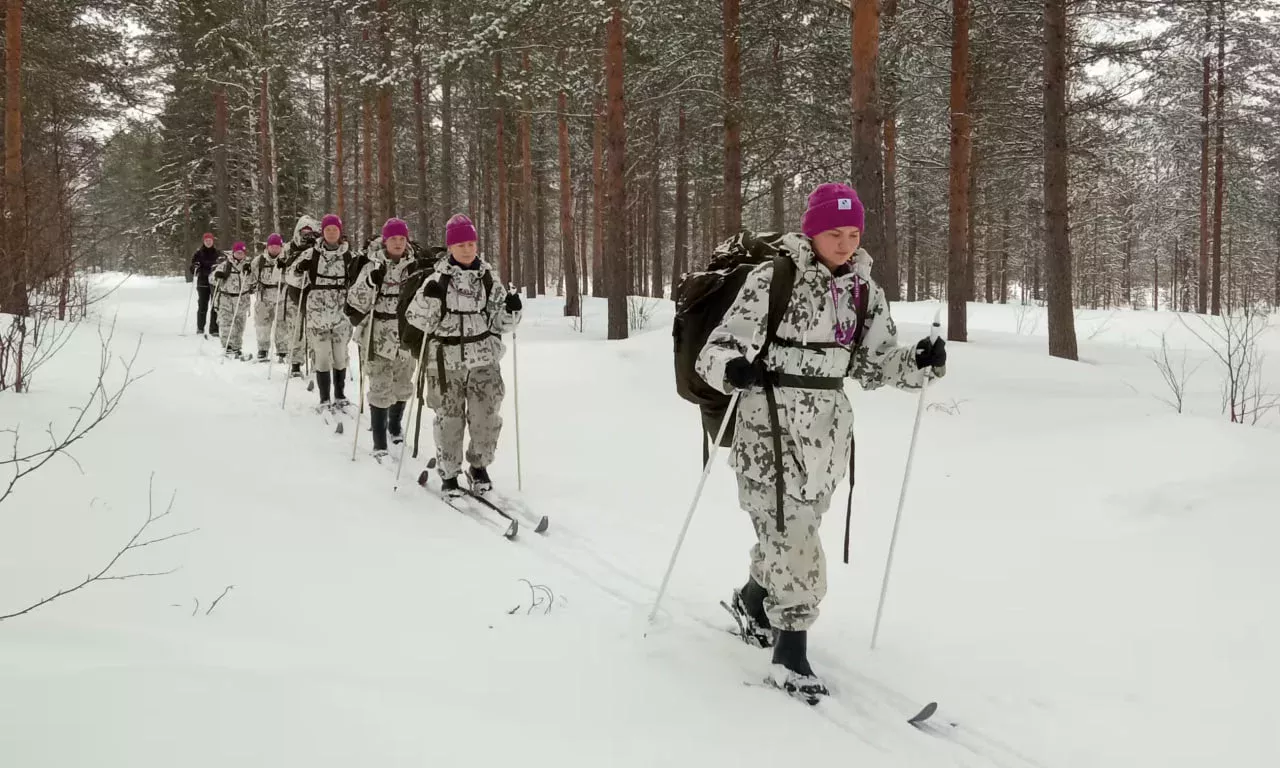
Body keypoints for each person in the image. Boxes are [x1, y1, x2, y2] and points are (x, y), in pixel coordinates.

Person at [696, 183, 947, 702]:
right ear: (812, 231)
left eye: (853, 233)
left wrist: (920, 363)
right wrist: (734, 367)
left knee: (794, 528)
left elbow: (876, 364)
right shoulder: (773, 279)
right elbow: (714, 351)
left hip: (828, 436)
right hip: (768, 427)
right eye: (835, 232)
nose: (845, 243)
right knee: (795, 537)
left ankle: (752, 597)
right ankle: (790, 650)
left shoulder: (863, 291)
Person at [404, 214, 522, 496]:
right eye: (461, 245)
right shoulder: (437, 279)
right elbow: (416, 319)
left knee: (487, 418)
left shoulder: (489, 280)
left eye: (471, 243)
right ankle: (448, 474)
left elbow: (502, 324)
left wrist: (511, 309)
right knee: (450, 420)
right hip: (446, 363)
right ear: (450, 248)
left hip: (484, 361)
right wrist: (427, 299)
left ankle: (479, 467)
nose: (467, 249)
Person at [346, 218, 420, 458]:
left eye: (402, 239)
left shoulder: (416, 266)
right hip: (377, 333)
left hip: (405, 333)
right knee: (379, 385)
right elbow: (354, 302)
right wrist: (369, 282)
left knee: (402, 383)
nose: (398, 243)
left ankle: (395, 424)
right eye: (393, 239)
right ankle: (379, 441)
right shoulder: (372, 265)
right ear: (385, 241)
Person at [286, 214, 353, 411]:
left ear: (340, 232)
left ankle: (340, 394)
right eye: (328, 229)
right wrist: (298, 269)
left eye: (335, 229)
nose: (331, 233)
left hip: (341, 312)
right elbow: (291, 278)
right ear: (322, 232)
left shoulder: (349, 255)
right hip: (317, 312)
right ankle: (324, 398)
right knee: (322, 355)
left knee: (340, 355)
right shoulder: (311, 254)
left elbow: (359, 280)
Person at [282, 216, 321, 378]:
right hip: (293, 292)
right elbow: (283, 268)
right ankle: (295, 363)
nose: (306, 236)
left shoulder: (318, 248)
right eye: (304, 232)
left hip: (314, 294)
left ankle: (317, 363)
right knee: (295, 329)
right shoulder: (289, 247)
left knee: (315, 330)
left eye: (309, 232)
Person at [211, 241, 255, 358]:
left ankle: (236, 347)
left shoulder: (249, 266)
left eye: (242, 253)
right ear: (233, 253)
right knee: (226, 323)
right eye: (238, 252)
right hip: (226, 298)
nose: (240, 255)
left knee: (239, 325)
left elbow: (253, 282)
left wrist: (249, 273)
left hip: (242, 299)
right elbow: (212, 278)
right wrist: (218, 275)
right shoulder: (225, 265)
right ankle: (228, 346)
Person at [250, 233, 288, 363]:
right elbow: (251, 278)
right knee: (262, 325)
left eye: (277, 246)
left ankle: (283, 350)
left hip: (281, 296)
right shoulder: (259, 261)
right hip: (263, 297)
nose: (274, 249)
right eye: (272, 246)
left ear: (281, 247)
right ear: (268, 246)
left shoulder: (286, 259)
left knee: (282, 325)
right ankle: (263, 349)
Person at [188, 232, 222, 336]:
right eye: (206, 241)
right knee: (202, 305)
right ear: (204, 241)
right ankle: (200, 327)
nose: (208, 242)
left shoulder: (218, 253)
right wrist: (195, 266)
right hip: (203, 281)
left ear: (213, 241)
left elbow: (222, 266)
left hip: (214, 282)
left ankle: (214, 329)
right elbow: (192, 268)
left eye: (210, 241)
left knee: (215, 306)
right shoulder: (198, 253)